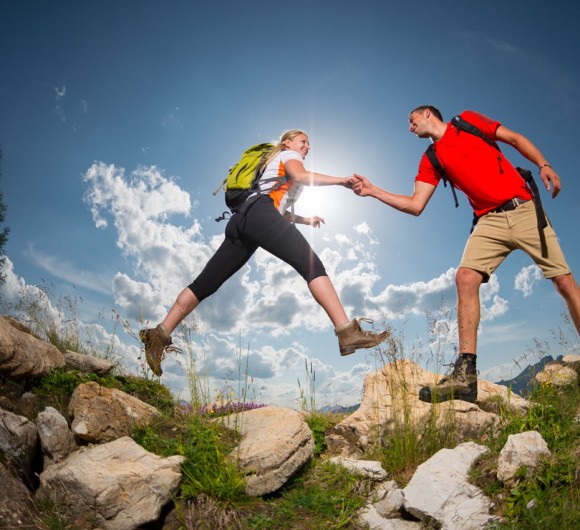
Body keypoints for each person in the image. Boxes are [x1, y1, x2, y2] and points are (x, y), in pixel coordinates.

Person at [353, 106, 580, 404]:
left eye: (412, 120)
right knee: (465, 278)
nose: (410, 128)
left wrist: (543, 164)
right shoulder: (431, 158)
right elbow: (415, 204)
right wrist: (373, 191)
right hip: (489, 221)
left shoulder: (468, 121)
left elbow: (513, 138)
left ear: (427, 115)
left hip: (523, 207)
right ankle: (465, 375)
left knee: (563, 282)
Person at [140, 129, 389, 376]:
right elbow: (300, 177)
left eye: (309, 144)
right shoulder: (288, 155)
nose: (306, 147)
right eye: (303, 141)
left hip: (243, 219)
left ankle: (159, 335)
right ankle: (347, 333)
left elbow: (278, 211)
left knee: (204, 284)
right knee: (312, 265)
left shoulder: (272, 167)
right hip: (258, 213)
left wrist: (305, 219)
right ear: (287, 142)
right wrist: (342, 181)